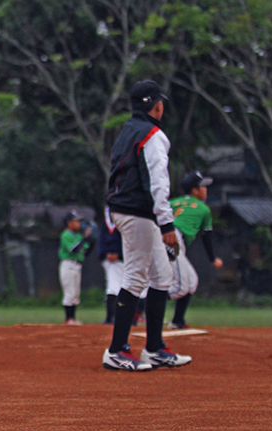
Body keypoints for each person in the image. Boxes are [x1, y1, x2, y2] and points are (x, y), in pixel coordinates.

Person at [101, 79, 192, 371]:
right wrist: (167, 224)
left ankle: (153, 348)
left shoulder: (128, 130)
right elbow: (158, 182)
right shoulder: (153, 134)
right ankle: (116, 351)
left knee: (161, 277)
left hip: (130, 210)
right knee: (136, 278)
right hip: (137, 212)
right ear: (157, 105)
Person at [167, 171, 224, 329]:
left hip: (164, 236)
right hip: (174, 239)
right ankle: (140, 304)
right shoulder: (203, 209)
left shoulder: (172, 202)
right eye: (203, 187)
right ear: (194, 190)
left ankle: (177, 321)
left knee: (191, 282)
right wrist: (213, 259)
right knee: (180, 287)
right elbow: (206, 236)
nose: (206, 190)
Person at [59, 210, 93, 325]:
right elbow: (73, 249)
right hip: (68, 264)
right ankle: (68, 318)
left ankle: (72, 318)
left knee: (75, 293)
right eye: (76, 221)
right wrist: (84, 238)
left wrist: (90, 239)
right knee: (69, 291)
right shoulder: (66, 234)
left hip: (77, 265)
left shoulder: (78, 235)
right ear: (69, 223)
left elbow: (86, 250)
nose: (78, 224)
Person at [97, 208, 123, 325]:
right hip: (119, 258)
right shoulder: (124, 210)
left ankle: (111, 317)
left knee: (115, 287)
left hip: (113, 256)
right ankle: (113, 317)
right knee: (116, 287)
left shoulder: (107, 214)